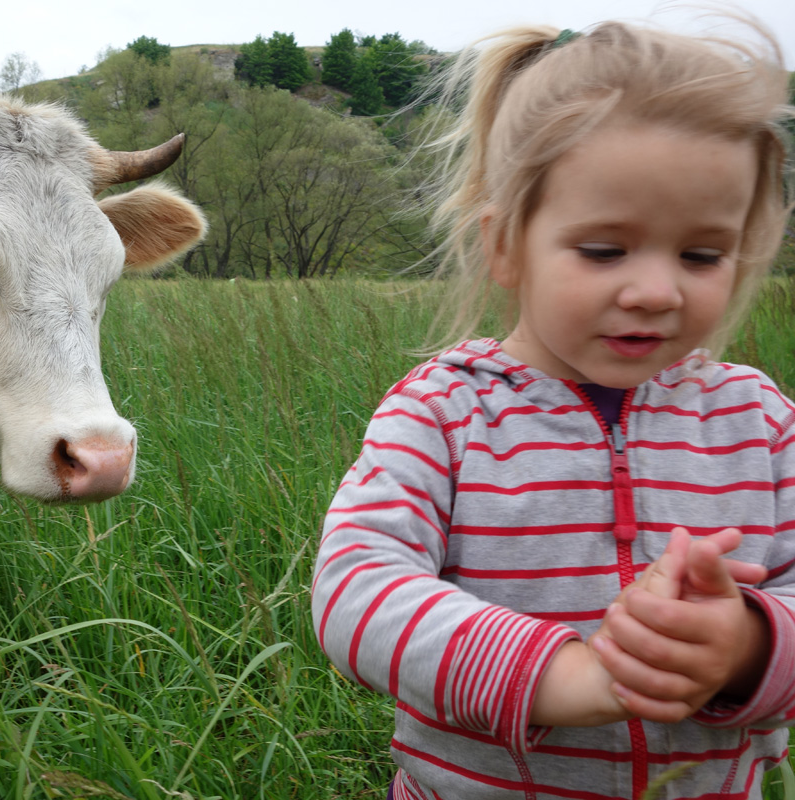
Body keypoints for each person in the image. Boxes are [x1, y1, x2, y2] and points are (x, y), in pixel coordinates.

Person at [310, 14, 794, 800]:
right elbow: (356, 587)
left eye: (702, 254)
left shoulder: (760, 422)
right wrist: (565, 675)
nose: (655, 290)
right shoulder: (443, 413)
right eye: (604, 250)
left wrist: (745, 647)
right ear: (506, 245)